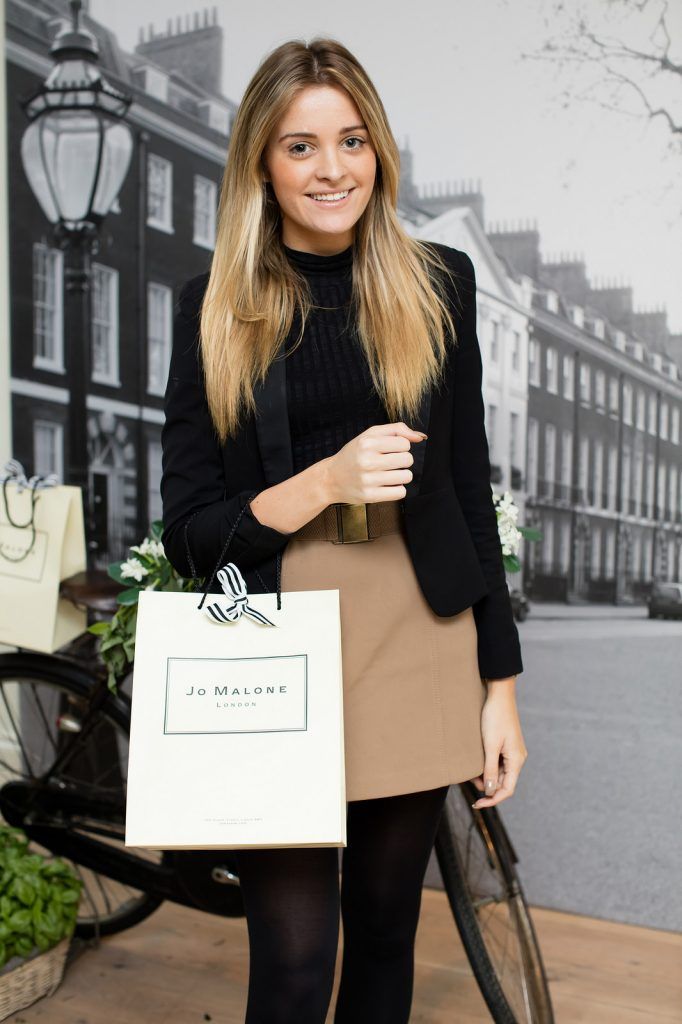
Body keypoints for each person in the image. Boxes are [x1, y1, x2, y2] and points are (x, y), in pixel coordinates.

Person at [160, 36, 528, 1024]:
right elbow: (190, 531)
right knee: (290, 957)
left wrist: (499, 687)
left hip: (415, 631)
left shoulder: (437, 283)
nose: (332, 169)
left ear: (380, 153)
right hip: (275, 649)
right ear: (260, 166)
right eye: (301, 146)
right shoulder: (213, 311)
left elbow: (465, 487)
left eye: (352, 140)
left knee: (382, 929)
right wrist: (323, 479)